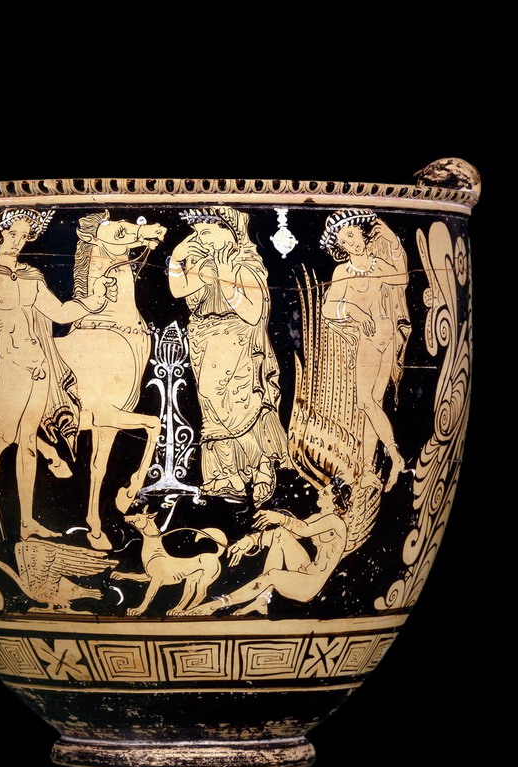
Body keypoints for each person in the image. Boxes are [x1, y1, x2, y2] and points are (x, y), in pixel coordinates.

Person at [0, 207, 114, 541]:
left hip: (39, 369)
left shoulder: (31, 276)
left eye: (23, 236)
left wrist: (93, 301)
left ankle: (27, 522)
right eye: (12, 234)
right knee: (1, 438)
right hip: (12, 368)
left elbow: (59, 312)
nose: (17, 241)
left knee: (29, 443)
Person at [167, 206, 288, 505]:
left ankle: (260, 468)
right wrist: (178, 258)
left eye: (206, 232)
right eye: (197, 234)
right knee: (211, 406)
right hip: (204, 342)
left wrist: (226, 279)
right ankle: (224, 475)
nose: (201, 240)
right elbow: (178, 290)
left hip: (238, 341)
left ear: (230, 232)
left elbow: (253, 313)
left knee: (243, 405)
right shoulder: (202, 264)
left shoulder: (243, 264)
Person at [320, 210, 411, 491]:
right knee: (373, 404)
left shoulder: (378, 265)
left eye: (352, 234)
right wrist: (353, 310)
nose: (351, 242)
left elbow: (402, 279)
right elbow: (328, 308)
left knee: (365, 402)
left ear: (361, 232)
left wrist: (393, 241)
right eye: (344, 241)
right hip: (372, 336)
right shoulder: (342, 272)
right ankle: (369, 468)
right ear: (340, 247)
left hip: (377, 339)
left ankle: (394, 456)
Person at [183, 478, 352, 616]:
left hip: (310, 584)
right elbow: (288, 533)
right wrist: (251, 540)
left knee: (272, 575)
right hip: (305, 571)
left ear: (335, 501)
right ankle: (261, 601)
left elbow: (305, 530)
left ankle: (216, 605)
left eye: (325, 493)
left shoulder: (335, 522)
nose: (320, 492)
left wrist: (279, 517)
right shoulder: (318, 517)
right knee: (280, 535)